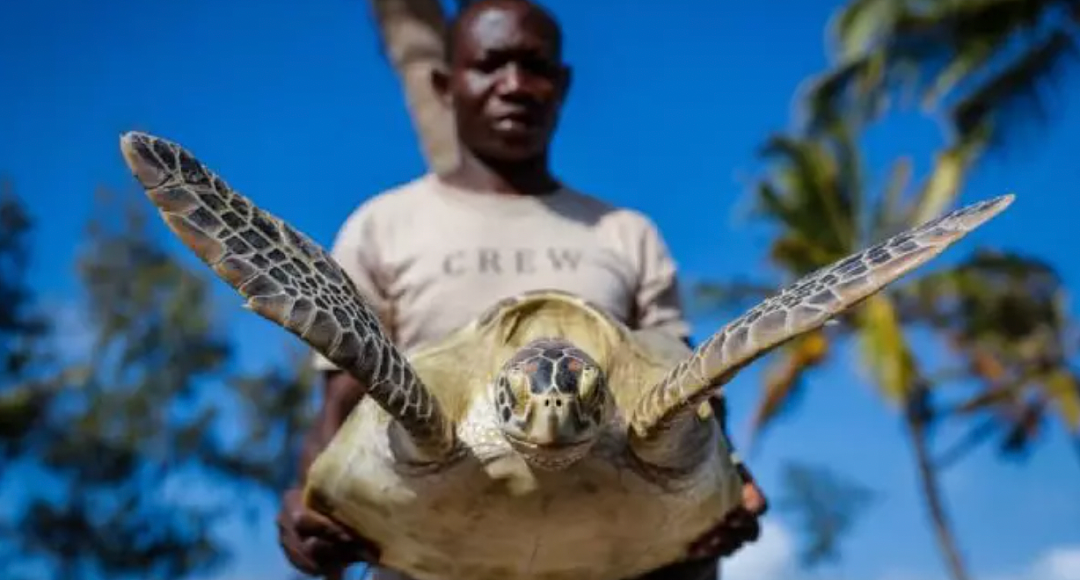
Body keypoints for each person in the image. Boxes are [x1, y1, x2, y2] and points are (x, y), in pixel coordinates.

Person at [275, 1, 767, 579]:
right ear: (445, 83)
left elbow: (687, 388)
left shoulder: (625, 233)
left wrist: (727, 483)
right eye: (490, 65)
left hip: (619, 559)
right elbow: (343, 402)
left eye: (534, 67)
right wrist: (308, 499)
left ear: (560, 85)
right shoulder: (384, 225)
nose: (514, 85)